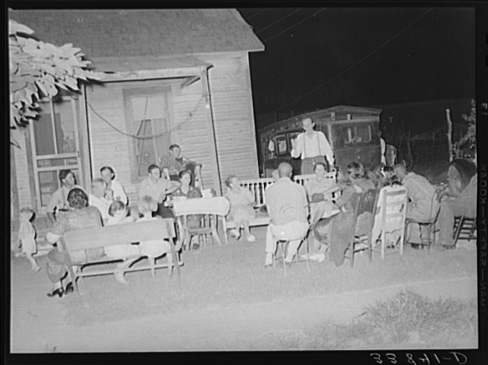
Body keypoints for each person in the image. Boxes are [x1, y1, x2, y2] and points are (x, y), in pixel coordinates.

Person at [313, 162, 376, 266]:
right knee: (331, 220)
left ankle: (324, 250)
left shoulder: (351, 189)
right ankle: (323, 251)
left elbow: (337, 204)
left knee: (319, 226)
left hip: (351, 224)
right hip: (367, 222)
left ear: (350, 174)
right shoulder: (370, 184)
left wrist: (330, 200)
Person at [45, 188, 104, 298]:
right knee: (74, 249)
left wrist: (58, 220)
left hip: (75, 256)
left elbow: (51, 239)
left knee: (53, 256)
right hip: (97, 251)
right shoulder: (95, 211)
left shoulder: (65, 217)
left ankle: (57, 286)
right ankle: (70, 281)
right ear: (85, 201)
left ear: (68, 203)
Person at [264, 162, 309, 267]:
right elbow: (306, 212)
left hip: (281, 232)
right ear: (291, 174)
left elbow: (271, 213)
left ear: (278, 174)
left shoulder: (270, 190)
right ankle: (289, 258)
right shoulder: (300, 188)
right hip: (299, 232)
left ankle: (268, 258)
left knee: (270, 227)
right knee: (302, 223)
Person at [393, 163, 436, 248]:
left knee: (400, 212)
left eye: (396, 173)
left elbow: (400, 201)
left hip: (424, 213)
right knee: (411, 208)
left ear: (398, 173)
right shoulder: (420, 178)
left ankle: (392, 241)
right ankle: (414, 240)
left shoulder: (407, 183)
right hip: (435, 211)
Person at [304, 162, 340, 262]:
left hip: (328, 208)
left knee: (323, 205)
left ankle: (313, 225)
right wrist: (316, 198)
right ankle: (317, 252)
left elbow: (338, 187)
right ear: (314, 171)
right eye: (317, 169)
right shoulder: (310, 183)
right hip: (315, 208)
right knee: (321, 205)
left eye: (322, 169)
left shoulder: (329, 181)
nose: (319, 171)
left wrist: (324, 193)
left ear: (325, 171)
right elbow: (306, 197)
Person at [437, 159, 477, 249]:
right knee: (445, 202)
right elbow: (465, 195)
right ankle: (444, 240)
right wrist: (450, 192)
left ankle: (447, 242)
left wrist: (452, 193)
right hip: (468, 203)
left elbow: (470, 198)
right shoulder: (475, 177)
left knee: (447, 205)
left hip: (473, 206)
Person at [224, 175, 256, 242]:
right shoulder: (228, 195)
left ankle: (237, 230)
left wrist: (246, 204)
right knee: (239, 209)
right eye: (236, 181)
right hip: (234, 214)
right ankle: (248, 234)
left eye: (238, 180)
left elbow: (254, 203)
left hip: (248, 211)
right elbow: (227, 208)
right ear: (231, 185)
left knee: (241, 208)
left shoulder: (245, 191)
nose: (239, 182)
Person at [16, 207, 40, 273]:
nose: (19, 218)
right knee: (29, 254)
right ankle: (33, 267)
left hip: (27, 241)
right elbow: (34, 232)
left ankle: (36, 266)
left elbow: (20, 232)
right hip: (31, 241)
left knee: (28, 256)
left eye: (20, 216)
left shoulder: (23, 223)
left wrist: (19, 240)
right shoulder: (29, 224)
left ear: (24, 217)